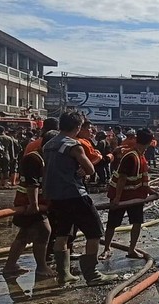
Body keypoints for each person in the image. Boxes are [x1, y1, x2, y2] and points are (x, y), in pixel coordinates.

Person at [42, 111, 118, 286]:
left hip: (56, 196)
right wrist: (84, 169)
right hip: (75, 195)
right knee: (95, 233)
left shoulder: (49, 145)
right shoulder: (73, 145)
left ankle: (64, 274)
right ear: (77, 127)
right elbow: (90, 169)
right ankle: (92, 274)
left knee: (62, 235)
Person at [3, 130, 59, 277]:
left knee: (25, 235)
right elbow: (32, 184)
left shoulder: (46, 158)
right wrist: (34, 205)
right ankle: (41, 267)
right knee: (44, 231)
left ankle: (10, 266)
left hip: (39, 202)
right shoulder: (33, 158)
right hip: (28, 203)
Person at [99, 128, 157, 260]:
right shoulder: (131, 156)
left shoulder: (140, 155)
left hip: (136, 197)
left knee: (137, 222)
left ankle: (131, 250)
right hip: (122, 196)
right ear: (149, 143)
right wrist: (117, 198)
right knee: (113, 223)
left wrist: (149, 189)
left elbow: (142, 177)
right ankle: (107, 248)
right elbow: (122, 178)